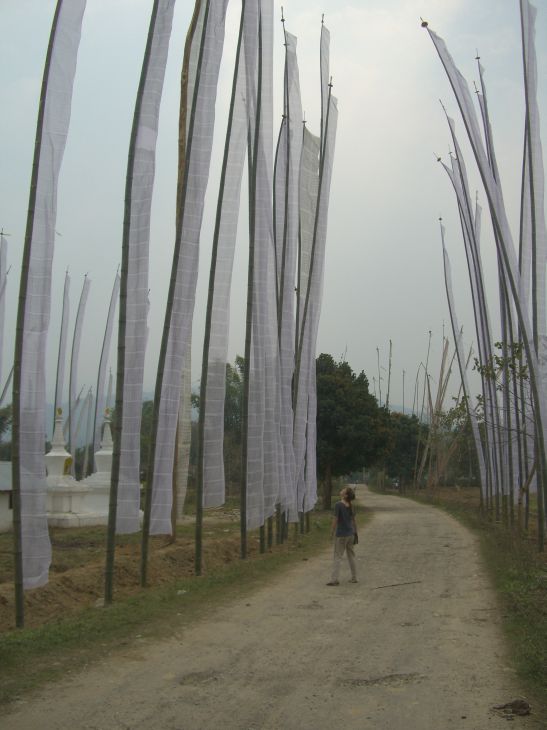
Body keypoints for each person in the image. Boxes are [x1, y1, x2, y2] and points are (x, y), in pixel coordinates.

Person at [326, 486, 357, 585]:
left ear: (345, 495)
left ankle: (334, 579)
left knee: (337, 556)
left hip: (341, 535)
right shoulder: (351, 505)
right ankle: (354, 577)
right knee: (351, 556)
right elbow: (353, 520)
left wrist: (331, 532)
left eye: (343, 490)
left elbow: (335, 520)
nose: (341, 490)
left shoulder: (338, 505)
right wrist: (355, 532)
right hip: (350, 534)